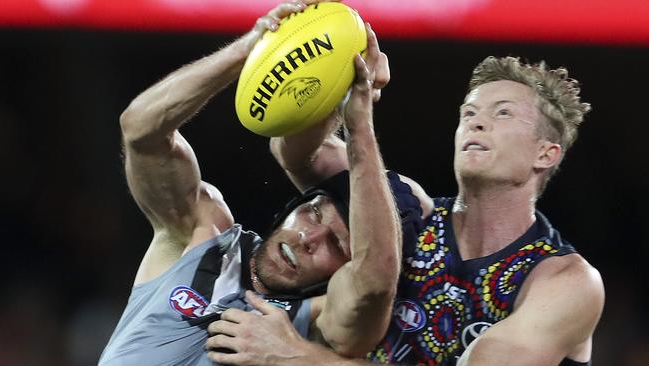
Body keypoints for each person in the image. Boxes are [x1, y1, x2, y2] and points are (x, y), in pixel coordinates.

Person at [203, 55, 606, 365]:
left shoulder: (564, 282)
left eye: (502, 113)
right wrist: (342, 79)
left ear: (545, 153)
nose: (476, 124)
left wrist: (294, 355)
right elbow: (295, 150)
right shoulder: (412, 216)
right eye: (469, 113)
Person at [98, 1, 428, 364]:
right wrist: (250, 50)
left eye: (335, 243)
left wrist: (359, 120)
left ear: (343, 272)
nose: (309, 238)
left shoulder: (318, 327)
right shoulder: (202, 231)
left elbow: (374, 283)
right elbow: (141, 131)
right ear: (293, 206)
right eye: (314, 215)